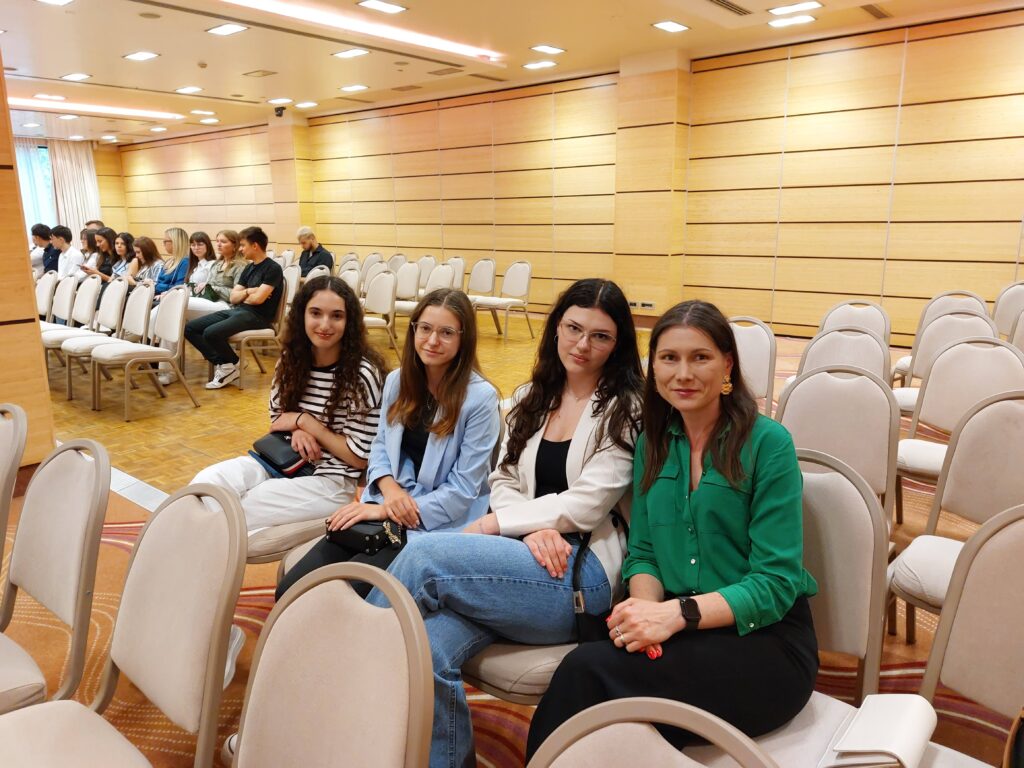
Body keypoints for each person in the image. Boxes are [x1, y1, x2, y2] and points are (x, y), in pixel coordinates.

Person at [365, 278, 644, 768]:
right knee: (426, 649)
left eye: (600, 336)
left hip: (580, 574)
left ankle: (346, 687)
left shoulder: (626, 408)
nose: (582, 344)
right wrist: (527, 526)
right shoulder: (533, 396)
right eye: (573, 328)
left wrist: (500, 525)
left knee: (425, 555)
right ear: (556, 328)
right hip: (523, 556)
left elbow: (586, 505)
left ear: (617, 345)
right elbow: (503, 478)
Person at [525, 300, 820, 760]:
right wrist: (645, 611)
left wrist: (675, 615)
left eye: (700, 357)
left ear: (727, 364)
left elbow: (776, 583)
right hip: (682, 631)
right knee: (605, 706)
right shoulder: (653, 444)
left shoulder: (768, 444)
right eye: (669, 358)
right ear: (654, 367)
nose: (683, 373)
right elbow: (643, 552)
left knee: (587, 676)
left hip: (765, 643)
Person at [274, 287, 501, 601]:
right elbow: (380, 445)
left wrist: (385, 510)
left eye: (447, 332)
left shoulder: (481, 399)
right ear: (414, 329)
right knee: (291, 591)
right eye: (425, 328)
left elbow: (463, 491)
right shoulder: (397, 380)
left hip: (436, 519)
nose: (432, 341)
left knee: (341, 600)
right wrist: (389, 490)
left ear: (465, 338)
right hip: (389, 500)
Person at [192, 275, 387, 533]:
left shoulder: (362, 374)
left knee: (236, 511)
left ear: (349, 321)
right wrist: (296, 428)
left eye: (337, 316)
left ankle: (202, 550)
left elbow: (359, 457)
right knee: (205, 486)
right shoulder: (291, 358)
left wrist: (305, 422)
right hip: (280, 459)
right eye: (315, 313)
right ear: (302, 315)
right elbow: (278, 418)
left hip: (332, 479)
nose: (325, 324)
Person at [184, 225, 284, 389]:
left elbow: (258, 300)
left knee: (211, 333)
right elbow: (233, 297)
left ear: (255, 246)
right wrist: (250, 291)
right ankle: (229, 364)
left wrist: (246, 295)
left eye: (243, 245)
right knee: (190, 328)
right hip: (239, 310)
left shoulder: (273, 268)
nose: (240, 249)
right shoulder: (249, 267)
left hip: (259, 317)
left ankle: (228, 366)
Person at [184, 229, 248, 321]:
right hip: (210, 300)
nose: (218, 244)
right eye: (217, 241)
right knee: (177, 301)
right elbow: (209, 287)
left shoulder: (240, 266)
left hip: (227, 305)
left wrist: (213, 288)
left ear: (235, 245)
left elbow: (237, 295)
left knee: (181, 304)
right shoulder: (217, 264)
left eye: (223, 242)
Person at [153, 227, 194, 300]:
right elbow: (159, 282)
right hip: (158, 296)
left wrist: (155, 285)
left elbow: (179, 287)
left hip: (169, 299)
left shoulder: (185, 262)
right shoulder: (169, 261)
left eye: (165, 241)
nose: (163, 244)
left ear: (175, 242)